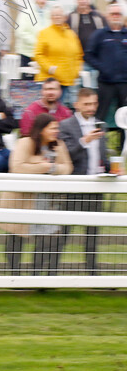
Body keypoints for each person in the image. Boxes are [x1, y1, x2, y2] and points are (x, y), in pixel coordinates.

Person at [0, 113, 72, 275]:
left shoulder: (58, 145)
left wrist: (51, 168)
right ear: (42, 129)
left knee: (46, 239)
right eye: (52, 128)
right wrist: (42, 166)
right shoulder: (25, 142)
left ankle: (36, 274)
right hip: (21, 199)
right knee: (16, 237)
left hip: (47, 200)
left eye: (56, 128)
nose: (56, 131)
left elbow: (67, 167)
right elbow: (17, 167)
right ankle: (14, 275)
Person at [58, 88, 113, 273]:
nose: (91, 107)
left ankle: (92, 272)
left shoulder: (100, 124)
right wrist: (85, 140)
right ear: (77, 104)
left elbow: (101, 154)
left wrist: (109, 167)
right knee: (63, 232)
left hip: (96, 185)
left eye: (94, 103)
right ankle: (51, 271)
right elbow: (65, 156)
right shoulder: (65, 125)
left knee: (93, 232)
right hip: (74, 187)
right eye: (87, 104)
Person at [86, 2, 127, 152]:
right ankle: (97, 147)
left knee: (125, 117)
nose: (116, 17)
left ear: (121, 16)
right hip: (106, 83)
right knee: (100, 116)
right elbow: (88, 55)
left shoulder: (125, 34)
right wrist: (103, 68)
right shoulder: (100, 35)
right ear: (108, 16)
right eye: (113, 14)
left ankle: (122, 149)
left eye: (118, 14)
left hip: (124, 84)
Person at [34, 6, 83, 106]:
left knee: (60, 111)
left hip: (67, 80)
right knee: (47, 110)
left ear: (64, 17)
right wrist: (50, 68)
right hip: (50, 81)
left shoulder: (71, 34)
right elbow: (38, 54)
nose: (57, 17)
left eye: (59, 15)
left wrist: (76, 71)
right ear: (51, 17)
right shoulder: (44, 33)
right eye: (54, 15)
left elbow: (79, 55)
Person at [67, 0, 105, 89]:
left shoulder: (99, 17)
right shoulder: (71, 17)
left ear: (89, 0)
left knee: (94, 89)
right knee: (76, 89)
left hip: (95, 59)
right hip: (78, 60)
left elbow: (105, 34)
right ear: (76, 1)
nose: (83, 1)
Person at [15, 0, 50, 70]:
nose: (42, 1)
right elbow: (20, 32)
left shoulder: (48, 14)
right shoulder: (26, 12)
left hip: (42, 55)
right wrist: (37, 43)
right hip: (27, 54)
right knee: (26, 81)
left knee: (39, 80)